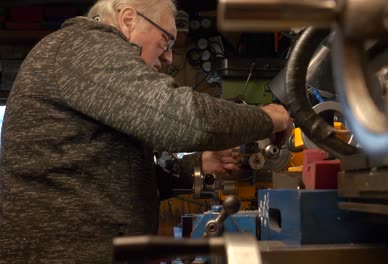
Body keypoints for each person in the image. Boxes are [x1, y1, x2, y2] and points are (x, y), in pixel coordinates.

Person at [0, 0, 291, 263]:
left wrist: (194, 168)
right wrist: (265, 117)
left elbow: (115, 173)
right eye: (166, 41)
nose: (168, 59)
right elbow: (186, 118)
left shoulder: (89, 64)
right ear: (128, 19)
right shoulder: (84, 47)